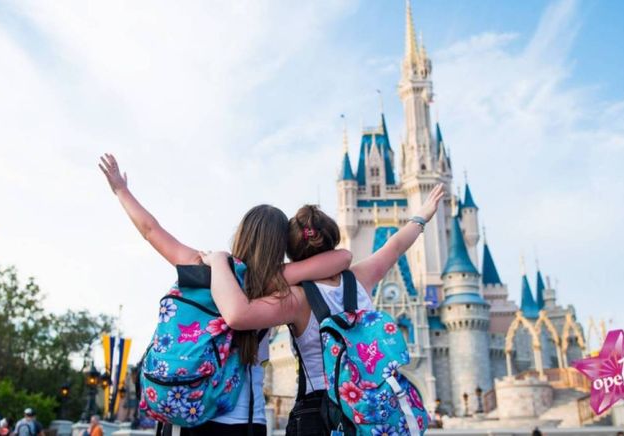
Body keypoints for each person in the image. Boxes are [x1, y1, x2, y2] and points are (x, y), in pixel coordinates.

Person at [98, 153, 352, 436]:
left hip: (189, 412)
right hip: (243, 420)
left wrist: (121, 190)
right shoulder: (274, 280)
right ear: (280, 244)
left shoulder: (204, 266)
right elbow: (342, 258)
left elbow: (150, 230)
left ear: (241, 231)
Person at [203, 184, 445, 435]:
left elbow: (239, 314)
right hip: (367, 408)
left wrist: (218, 261)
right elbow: (394, 246)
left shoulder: (295, 298)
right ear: (332, 239)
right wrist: (422, 215)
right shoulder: (360, 278)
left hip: (316, 413)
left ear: (292, 251)